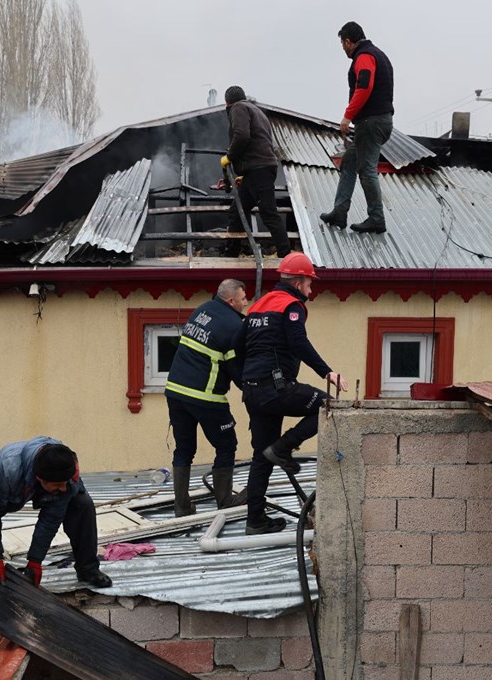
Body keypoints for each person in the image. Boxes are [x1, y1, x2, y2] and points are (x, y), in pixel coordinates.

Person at [237, 253, 348, 534]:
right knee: (325, 404)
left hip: (252, 390)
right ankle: (284, 448)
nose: (312, 289)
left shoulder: (256, 307)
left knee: (261, 456)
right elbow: (298, 342)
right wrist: (327, 372)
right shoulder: (291, 305)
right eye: (310, 283)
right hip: (275, 386)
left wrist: (248, 380)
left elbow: (240, 347)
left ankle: (255, 520)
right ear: (299, 282)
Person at [0, 437, 111, 608]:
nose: (63, 488)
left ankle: (87, 569)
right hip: (1, 482)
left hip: (40, 477)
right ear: (40, 478)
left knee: (83, 504)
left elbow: (50, 521)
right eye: (58, 484)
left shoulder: (67, 471)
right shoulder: (6, 471)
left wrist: (35, 561)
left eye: (65, 484)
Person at [164, 279, 249, 516]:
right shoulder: (233, 326)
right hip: (206, 397)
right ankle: (225, 500)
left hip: (175, 391)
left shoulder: (201, 310)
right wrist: (255, 391)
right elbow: (235, 370)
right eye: (243, 299)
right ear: (231, 301)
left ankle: (181, 506)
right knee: (226, 445)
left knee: (184, 449)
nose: (246, 303)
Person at [320, 21, 394, 235]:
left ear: (348, 41)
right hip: (379, 121)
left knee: (367, 169)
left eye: (343, 44)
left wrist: (347, 116)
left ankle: (376, 218)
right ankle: (339, 212)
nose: (343, 48)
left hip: (371, 122)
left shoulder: (364, 57)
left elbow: (364, 86)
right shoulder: (379, 54)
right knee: (350, 162)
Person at [221, 86, 291, 259]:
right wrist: (242, 173)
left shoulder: (238, 108)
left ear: (228, 102)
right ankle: (231, 253)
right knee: (237, 210)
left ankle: (285, 256)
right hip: (257, 170)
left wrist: (230, 156)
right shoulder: (257, 111)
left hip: (258, 169)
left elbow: (242, 136)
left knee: (268, 212)